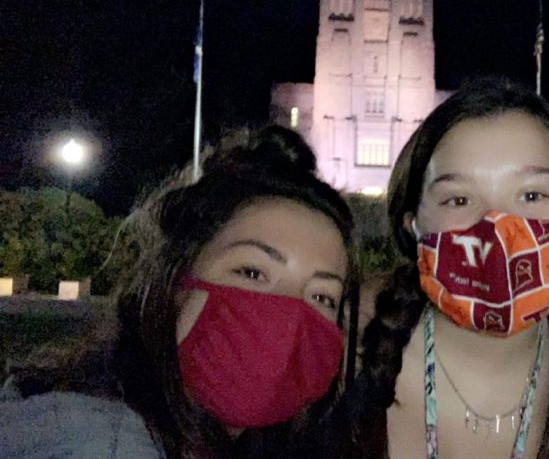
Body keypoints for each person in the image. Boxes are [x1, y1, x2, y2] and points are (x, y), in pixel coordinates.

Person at [0, 126, 360, 458]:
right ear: (174, 281)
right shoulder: (98, 444)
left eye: (322, 297)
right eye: (252, 272)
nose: (288, 313)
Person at [350, 78, 549, 459]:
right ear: (414, 224)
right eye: (459, 199)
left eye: (532, 195)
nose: (496, 225)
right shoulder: (340, 377)